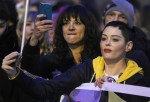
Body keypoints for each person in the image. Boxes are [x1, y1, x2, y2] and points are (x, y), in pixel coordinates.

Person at [2, 21, 150, 102]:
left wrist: (111, 89)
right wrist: (15, 74)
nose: (107, 43)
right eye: (104, 38)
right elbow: (45, 89)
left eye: (115, 39)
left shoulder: (138, 82)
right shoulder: (87, 69)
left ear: (128, 46)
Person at [21, 5, 100, 79]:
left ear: (87, 27)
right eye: (66, 23)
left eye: (77, 23)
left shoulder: (100, 58)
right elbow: (29, 69)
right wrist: (34, 37)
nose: (71, 28)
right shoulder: (53, 62)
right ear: (60, 29)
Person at [101, 0, 150, 81]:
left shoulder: (138, 54)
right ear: (104, 18)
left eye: (122, 16)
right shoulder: (93, 40)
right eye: (111, 14)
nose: (116, 19)